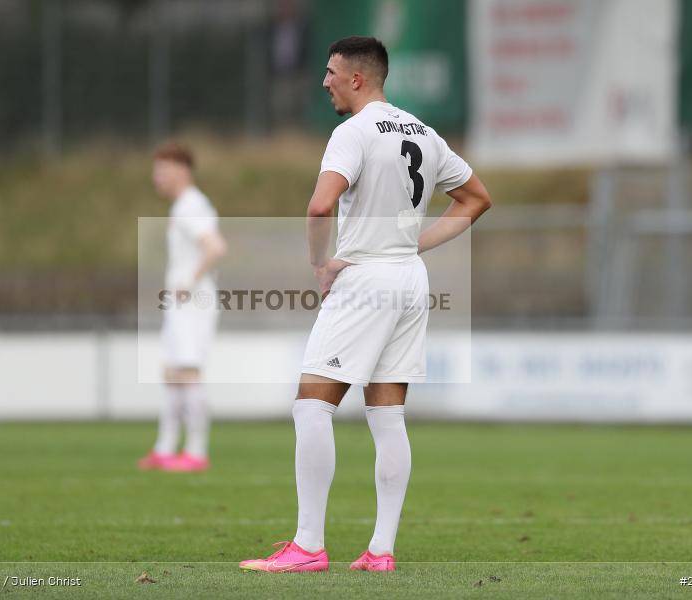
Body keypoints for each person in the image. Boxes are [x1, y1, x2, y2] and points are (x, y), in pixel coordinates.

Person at [239, 36, 491, 572]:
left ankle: (308, 546)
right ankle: (381, 551)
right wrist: (415, 243)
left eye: (330, 72)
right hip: (408, 279)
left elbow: (319, 206)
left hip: (366, 279)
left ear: (357, 78)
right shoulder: (423, 131)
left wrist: (320, 265)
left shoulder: (351, 133)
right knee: (388, 415)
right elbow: (477, 198)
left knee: (312, 405)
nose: (324, 80)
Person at [138, 143, 227, 473]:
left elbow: (216, 247)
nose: (156, 177)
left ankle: (196, 452)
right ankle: (165, 449)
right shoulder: (182, 207)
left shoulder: (192, 205)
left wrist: (190, 280)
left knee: (188, 373)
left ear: (182, 171)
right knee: (173, 372)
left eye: (163, 170)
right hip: (181, 303)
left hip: (193, 303)